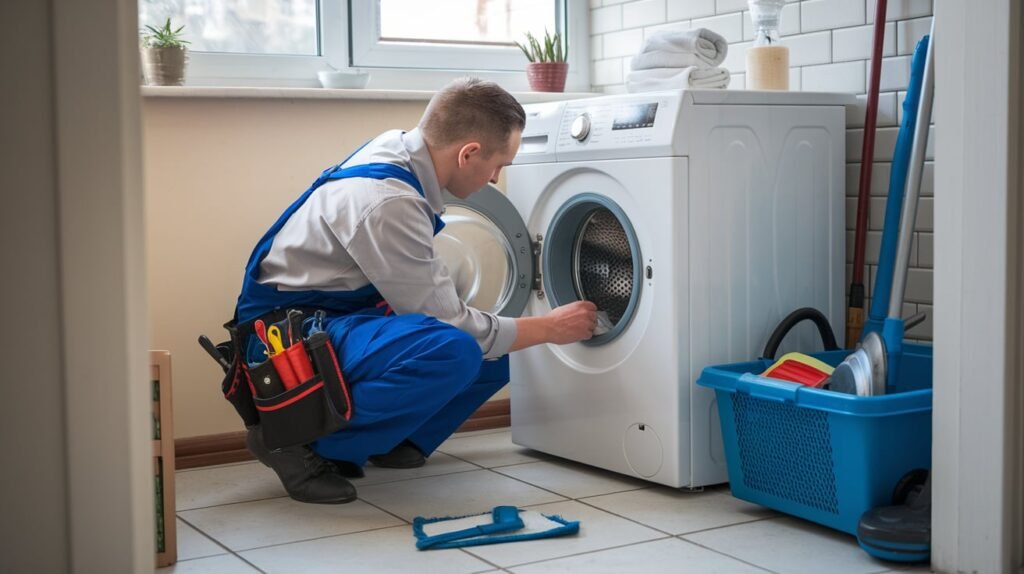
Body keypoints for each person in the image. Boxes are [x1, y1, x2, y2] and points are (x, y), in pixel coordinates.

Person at [235, 77, 597, 504]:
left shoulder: (399, 148)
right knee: (457, 348)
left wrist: (521, 331)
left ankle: (393, 441)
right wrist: (551, 327)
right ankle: (297, 443)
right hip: (286, 339)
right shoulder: (387, 200)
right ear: (468, 154)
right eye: (499, 164)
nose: (496, 178)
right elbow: (453, 326)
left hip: (334, 317)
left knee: (500, 352)